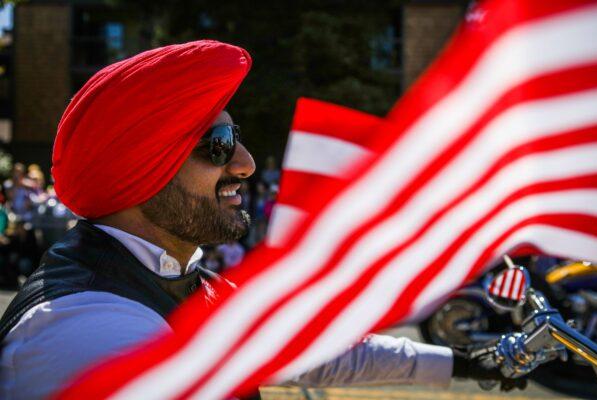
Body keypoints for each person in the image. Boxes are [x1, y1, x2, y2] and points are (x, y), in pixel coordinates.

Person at [0, 41, 523, 399]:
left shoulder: (170, 275)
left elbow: (305, 348)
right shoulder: (84, 331)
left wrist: (466, 360)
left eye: (235, 136)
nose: (246, 163)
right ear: (142, 171)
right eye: (218, 144)